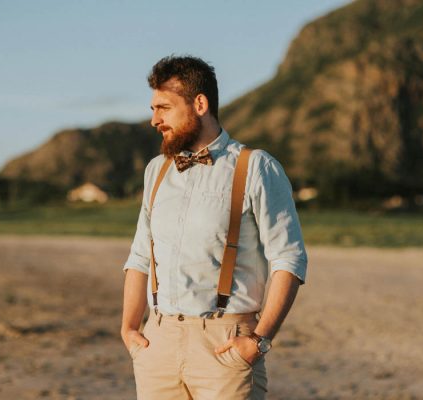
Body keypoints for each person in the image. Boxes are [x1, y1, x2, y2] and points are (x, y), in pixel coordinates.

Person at [121, 55, 308, 400]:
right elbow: (139, 256)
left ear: (200, 104)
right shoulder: (156, 170)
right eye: (152, 108)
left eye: (163, 107)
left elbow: (289, 259)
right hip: (157, 343)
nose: (154, 120)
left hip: (225, 346)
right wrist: (129, 329)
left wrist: (258, 340)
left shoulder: (256, 167)